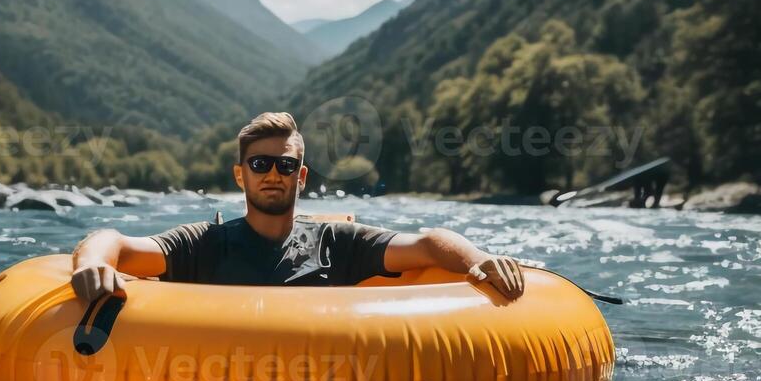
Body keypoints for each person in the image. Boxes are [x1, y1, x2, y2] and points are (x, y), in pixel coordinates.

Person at [70, 112, 526, 302]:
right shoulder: (204, 245)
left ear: (301, 176)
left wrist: (478, 261)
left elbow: (428, 243)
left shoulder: (337, 243)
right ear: (240, 174)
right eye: (260, 163)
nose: (273, 174)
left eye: (285, 165)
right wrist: (93, 264)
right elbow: (114, 241)